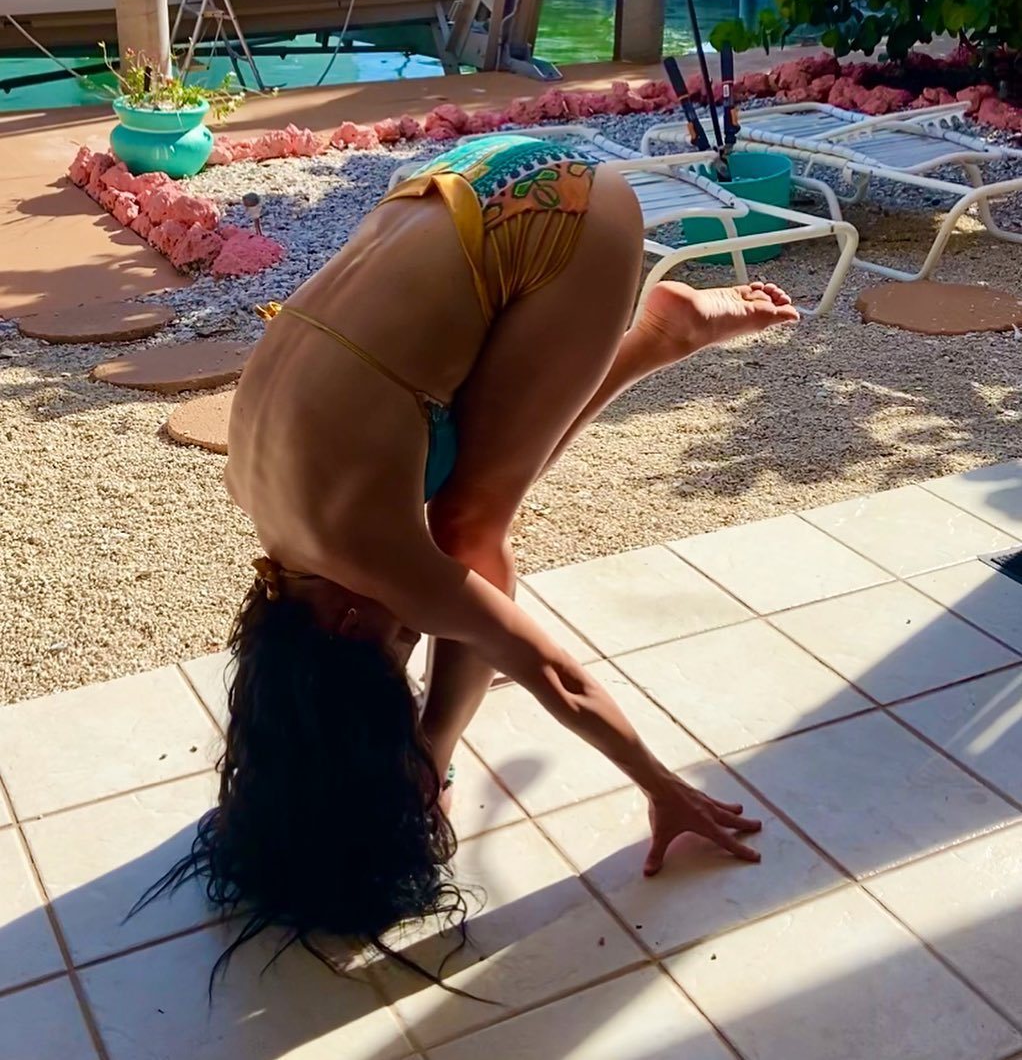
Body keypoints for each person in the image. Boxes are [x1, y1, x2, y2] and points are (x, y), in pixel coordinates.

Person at [144, 132, 798, 980]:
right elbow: (482, 477)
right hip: (459, 179)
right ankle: (662, 338)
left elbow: (548, 668)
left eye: (402, 649)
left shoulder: (371, 557)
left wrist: (659, 786)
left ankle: (656, 339)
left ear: (347, 622)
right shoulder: (261, 499)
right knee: (466, 496)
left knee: (472, 527)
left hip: (570, 211)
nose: (416, 637)